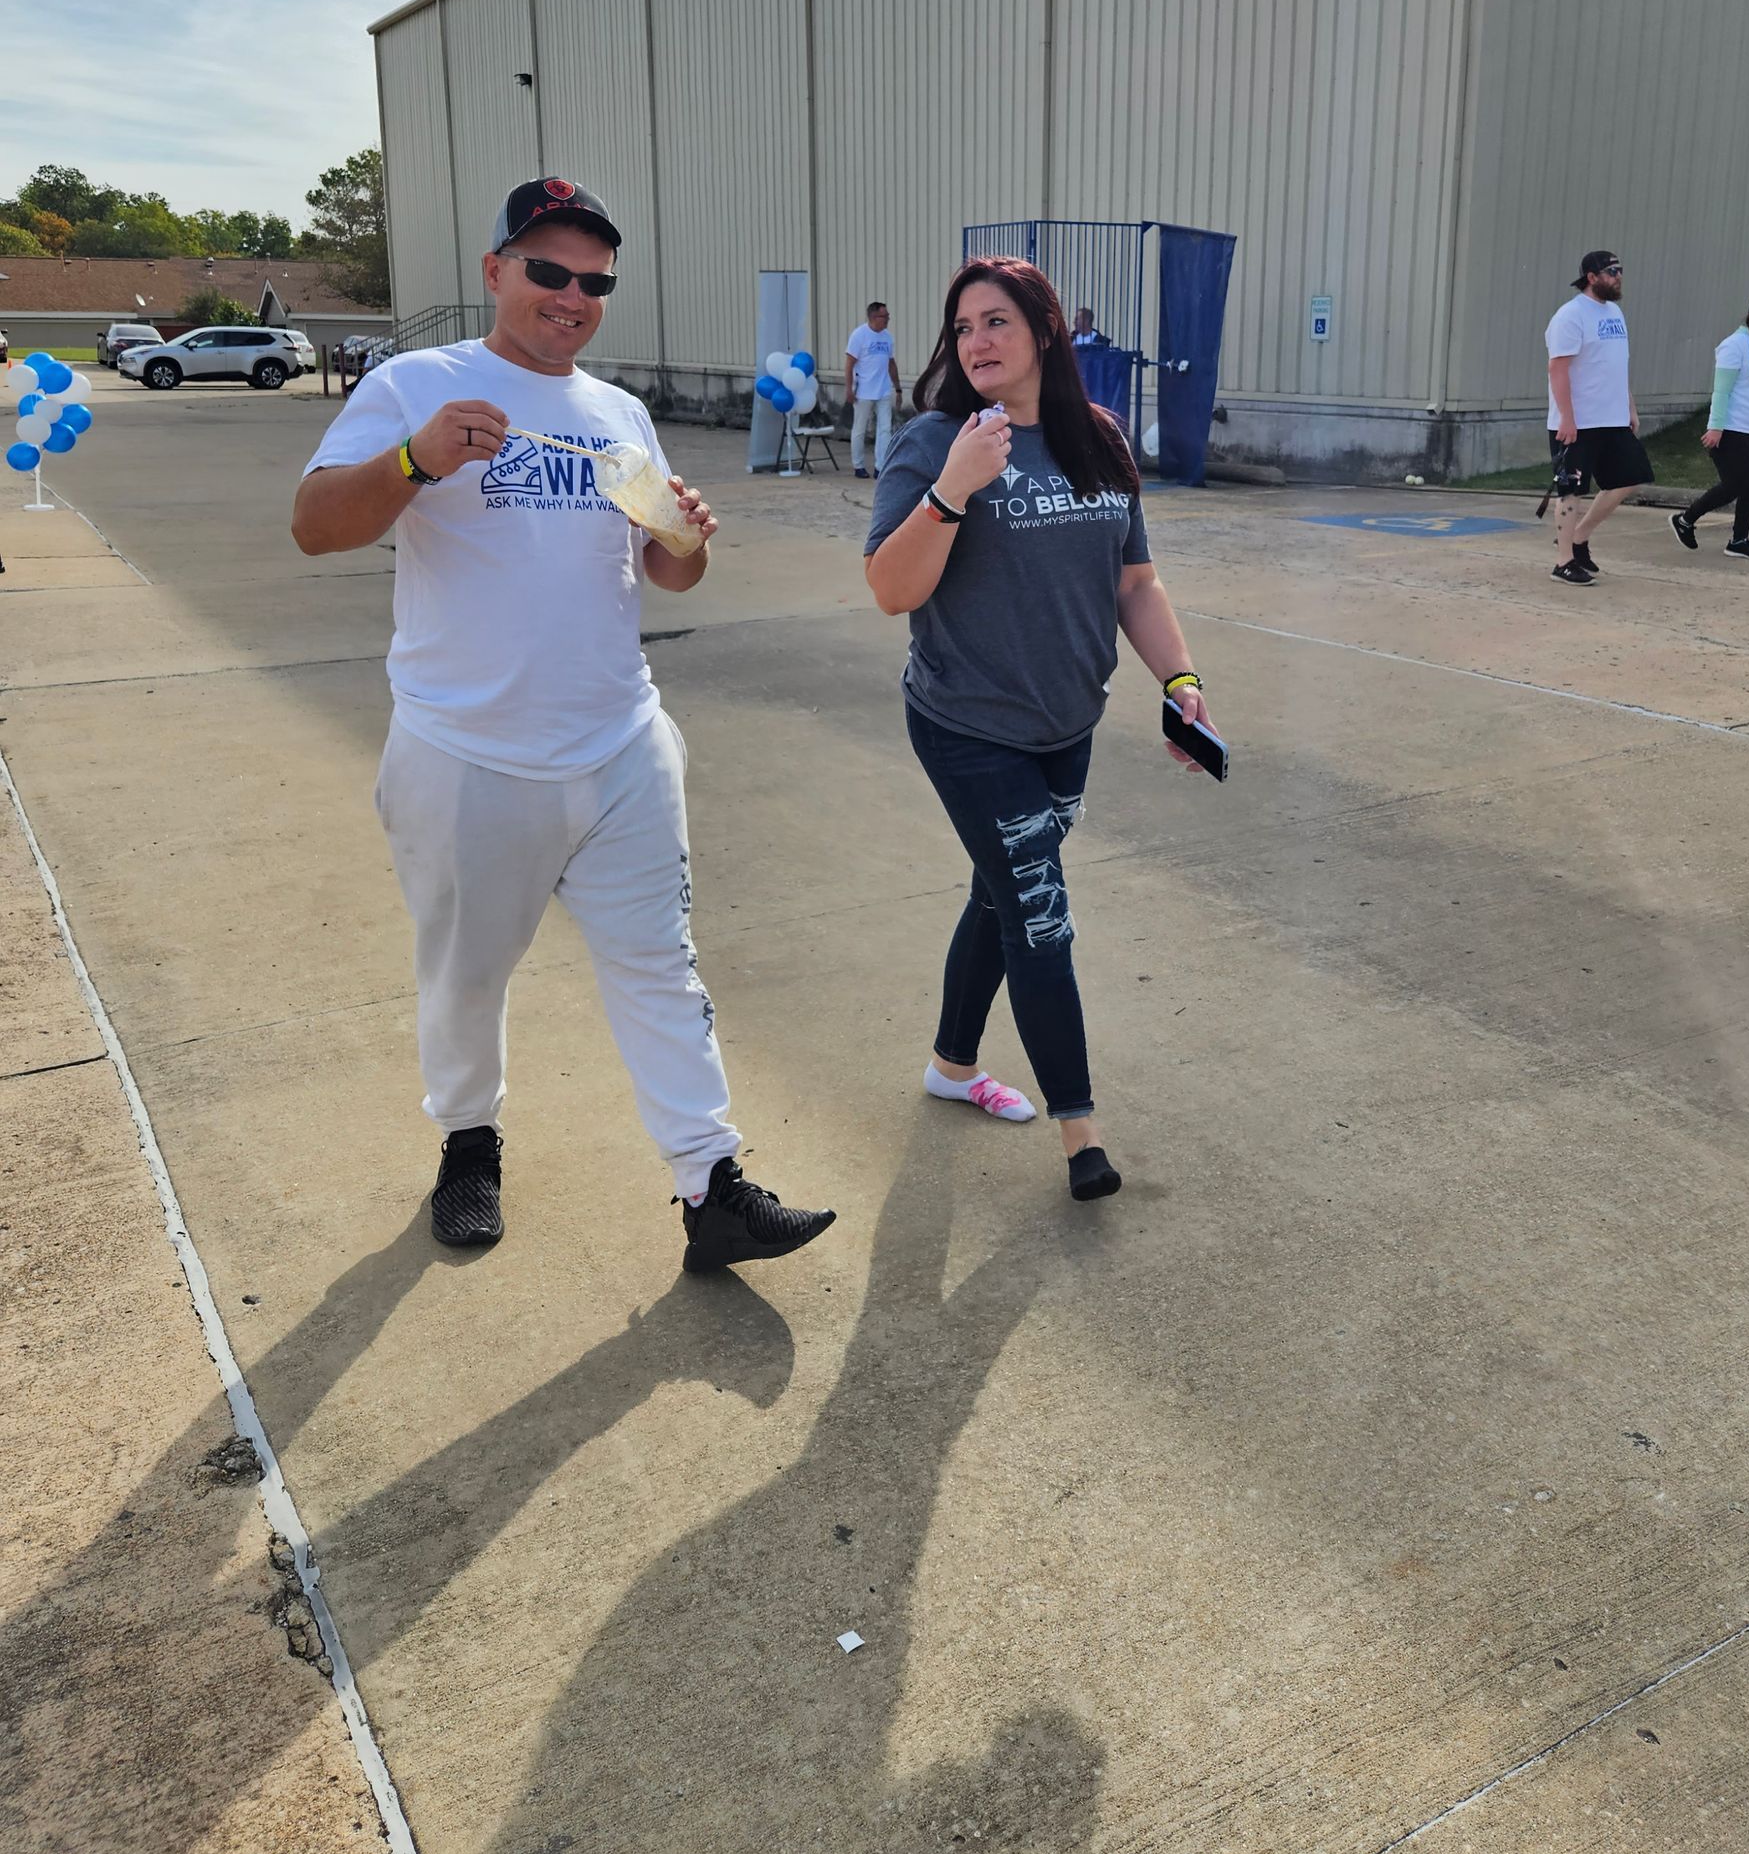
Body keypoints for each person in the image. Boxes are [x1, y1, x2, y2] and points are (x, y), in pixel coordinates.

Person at [291, 175, 834, 1272]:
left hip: (621, 742)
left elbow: (664, 573)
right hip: (468, 753)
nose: (573, 296)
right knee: (467, 973)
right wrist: (415, 460)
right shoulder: (417, 384)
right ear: (496, 271)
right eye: (549, 271)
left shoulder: (620, 414)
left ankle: (710, 1182)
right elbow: (314, 526)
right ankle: (469, 1144)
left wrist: (686, 540)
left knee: (662, 964)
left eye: (595, 282)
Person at [864, 258, 1217, 1203]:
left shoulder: (1096, 437)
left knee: (1001, 893)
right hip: (968, 724)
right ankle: (1081, 1134)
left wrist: (1180, 678)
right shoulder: (936, 441)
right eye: (963, 326)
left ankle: (951, 1065)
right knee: (1039, 914)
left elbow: (1134, 582)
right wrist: (953, 488)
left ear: (1046, 330)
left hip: (1068, 725)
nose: (976, 342)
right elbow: (891, 589)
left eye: (997, 322)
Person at [1543, 251, 1652, 585]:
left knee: (1631, 476)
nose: (1618, 277)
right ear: (1591, 277)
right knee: (1571, 491)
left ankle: (1579, 538)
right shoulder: (1570, 315)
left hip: (1612, 418)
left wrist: (1629, 406)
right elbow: (1557, 369)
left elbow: (1616, 365)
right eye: (1612, 271)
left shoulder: (1615, 312)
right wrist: (1567, 418)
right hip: (1579, 422)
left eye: (1620, 270)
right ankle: (1564, 562)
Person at [1670, 292, 1749, 559]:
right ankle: (1686, 519)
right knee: (1735, 483)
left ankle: (1739, 540)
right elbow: (1721, 390)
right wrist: (1716, 426)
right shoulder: (1734, 345)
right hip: (1734, 427)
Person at [845, 299, 902, 478]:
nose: (887, 319)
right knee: (860, 429)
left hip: (883, 390)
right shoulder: (859, 335)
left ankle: (880, 466)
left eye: (888, 316)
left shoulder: (887, 337)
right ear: (873, 317)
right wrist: (849, 388)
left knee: (885, 429)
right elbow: (849, 364)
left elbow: (891, 364)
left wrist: (898, 389)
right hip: (863, 391)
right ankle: (858, 465)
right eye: (884, 316)